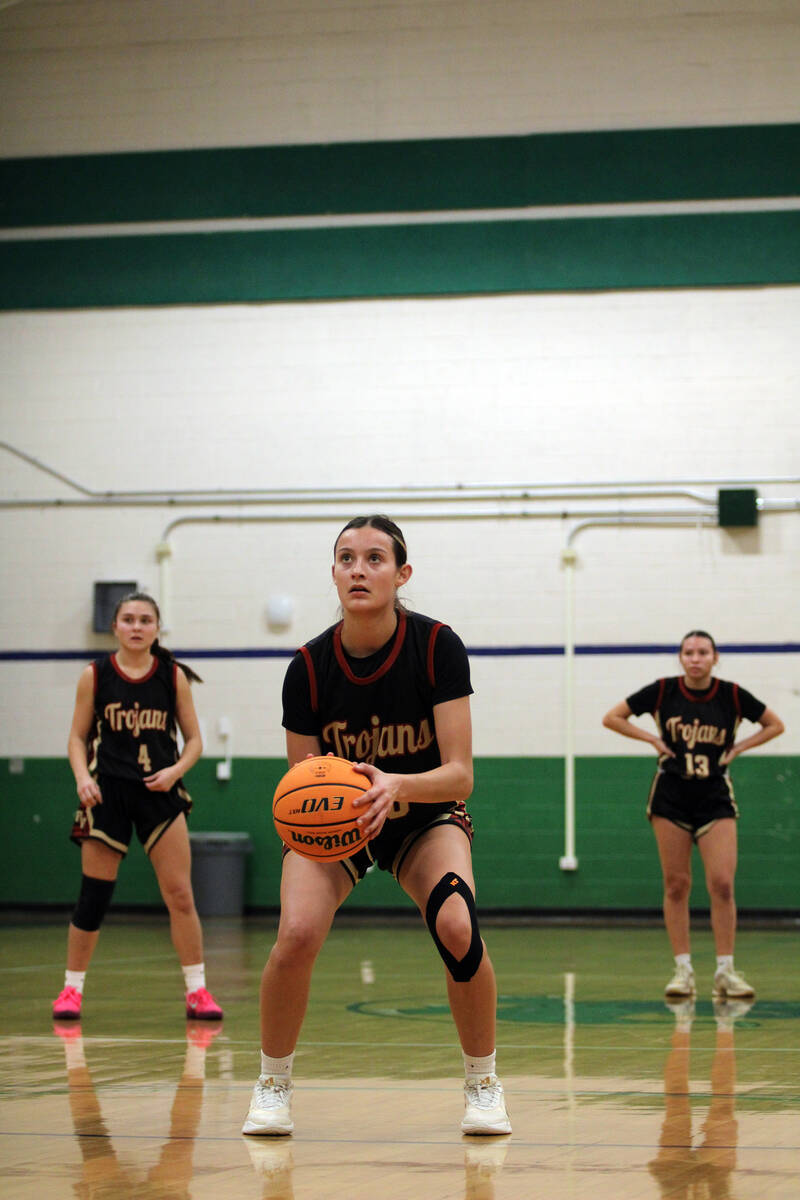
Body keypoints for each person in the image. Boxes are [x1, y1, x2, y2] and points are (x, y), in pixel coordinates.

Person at [242, 515, 511, 1138]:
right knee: (299, 932)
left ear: (401, 573)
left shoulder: (438, 645)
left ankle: (483, 1082)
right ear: (334, 574)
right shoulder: (307, 668)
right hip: (339, 825)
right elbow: (301, 782)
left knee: (455, 921)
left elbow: (460, 774)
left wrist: (397, 784)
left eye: (374, 558)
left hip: (424, 813)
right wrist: (341, 806)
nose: (358, 569)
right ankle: (273, 1083)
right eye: (345, 558)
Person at [51, 592, 223, 1021]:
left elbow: (196, 740)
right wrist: (82, 778)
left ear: (156, 629)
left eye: (145, 620)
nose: (136, 626)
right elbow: (76, 738)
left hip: (159, 791)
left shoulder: (172, 676)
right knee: (93, 896)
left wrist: (175, 771)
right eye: (128, 619)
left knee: (181, 894)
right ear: (115, 627)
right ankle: (71, 990)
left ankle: (198, 991)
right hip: (106, 791)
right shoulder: (95, 675)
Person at [602, 630, 784, 1000]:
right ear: (680, 658)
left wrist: (739, 747)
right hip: (671, 796)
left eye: (703, 652)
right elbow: (612, 717)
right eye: (689, 652)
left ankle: (726, 971)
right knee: (676, 884)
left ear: (715, 657)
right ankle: (682, 971)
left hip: (715, 796)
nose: (695, 658)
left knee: (722, 883)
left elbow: (774, 724)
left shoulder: (731, 694)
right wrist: (651, 739)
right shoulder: (663, 690)